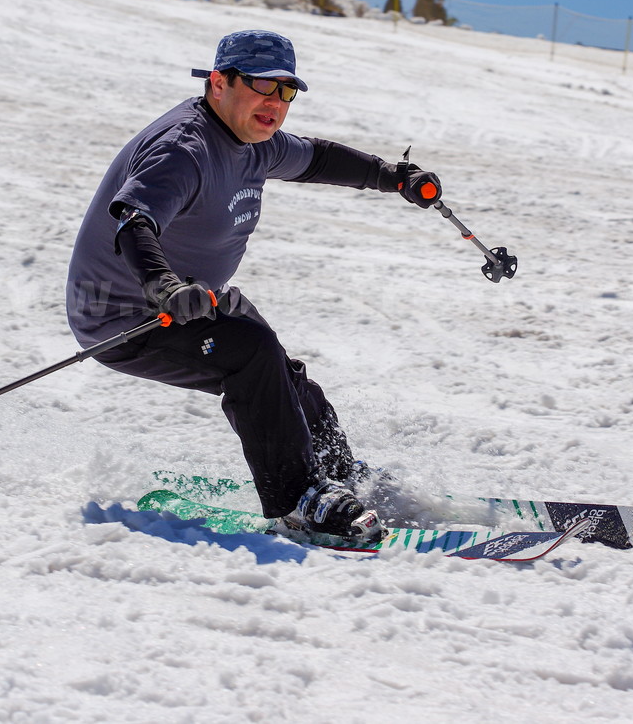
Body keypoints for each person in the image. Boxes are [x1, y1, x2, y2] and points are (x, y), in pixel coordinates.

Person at [66, 30, 443, 543]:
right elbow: (133, 221)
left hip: (196, 296)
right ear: (218, 82)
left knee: (283, 377)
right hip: (127, 313)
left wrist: (391, 177)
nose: (275, 104)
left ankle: (338, 477)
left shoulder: (251, 142)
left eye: (287, 92)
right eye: (263, 88)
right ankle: (300, 503)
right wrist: (164, 287)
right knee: (252, 357)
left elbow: (318, 159)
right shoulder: (186, 148)